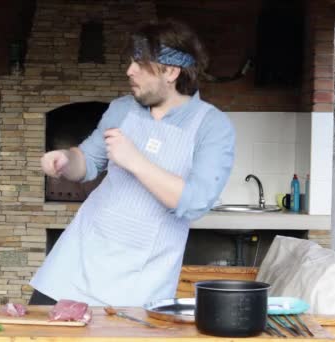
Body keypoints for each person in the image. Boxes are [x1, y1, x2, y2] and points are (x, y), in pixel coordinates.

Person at [29, 19, 235, 306]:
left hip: (140, 283)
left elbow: (194, 202)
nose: (129, 71)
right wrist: (65, 159)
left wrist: (136, 161)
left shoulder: (212, 126)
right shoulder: (122, 109)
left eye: (140, 63)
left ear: (171, 71)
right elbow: (87, 161)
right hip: (75, 266)